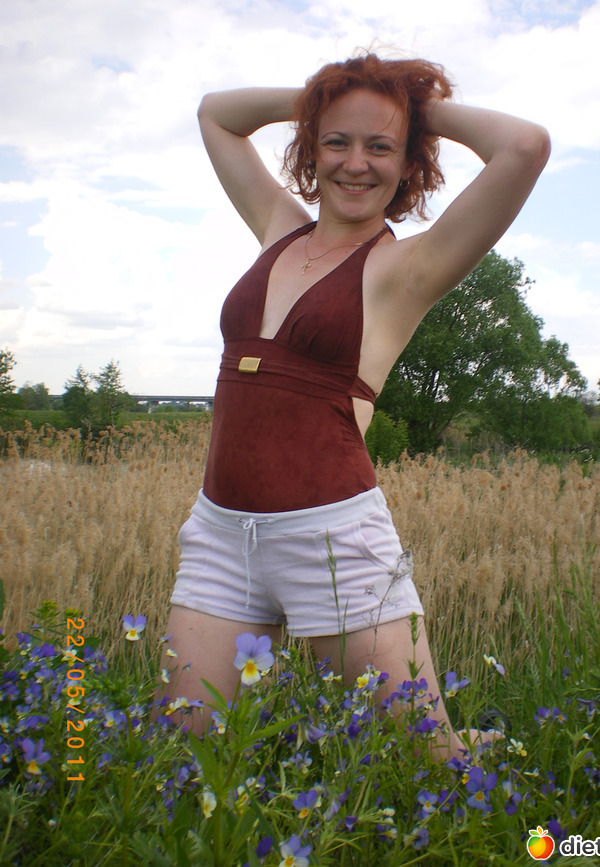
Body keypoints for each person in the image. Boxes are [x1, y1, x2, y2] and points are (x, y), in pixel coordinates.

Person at [157, 53, 550, 755]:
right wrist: (322, 99)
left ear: (408, 163)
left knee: (424, 761)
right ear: (312, 149)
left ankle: (484, 750)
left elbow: (524, 146)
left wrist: (410, 106)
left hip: (333, 541)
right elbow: (217, 114)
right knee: (183, 754)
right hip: (221, 535)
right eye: (337, 141)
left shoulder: (407, 268)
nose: (356, 163)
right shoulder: (279, 229)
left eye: (381, 146)